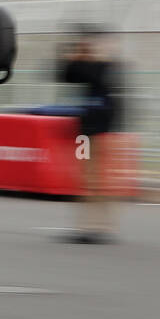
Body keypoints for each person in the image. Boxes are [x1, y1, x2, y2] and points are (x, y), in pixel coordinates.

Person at [58, 25, 126, 243]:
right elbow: (65, 74)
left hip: (100, 131)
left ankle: (99, 227)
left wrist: (83, 53)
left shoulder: (106, 66)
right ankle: (90, 226)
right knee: (88, 178)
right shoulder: (93, 65)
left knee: (96, 179)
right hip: (88, 129)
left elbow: (90, 74)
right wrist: (75, 53)